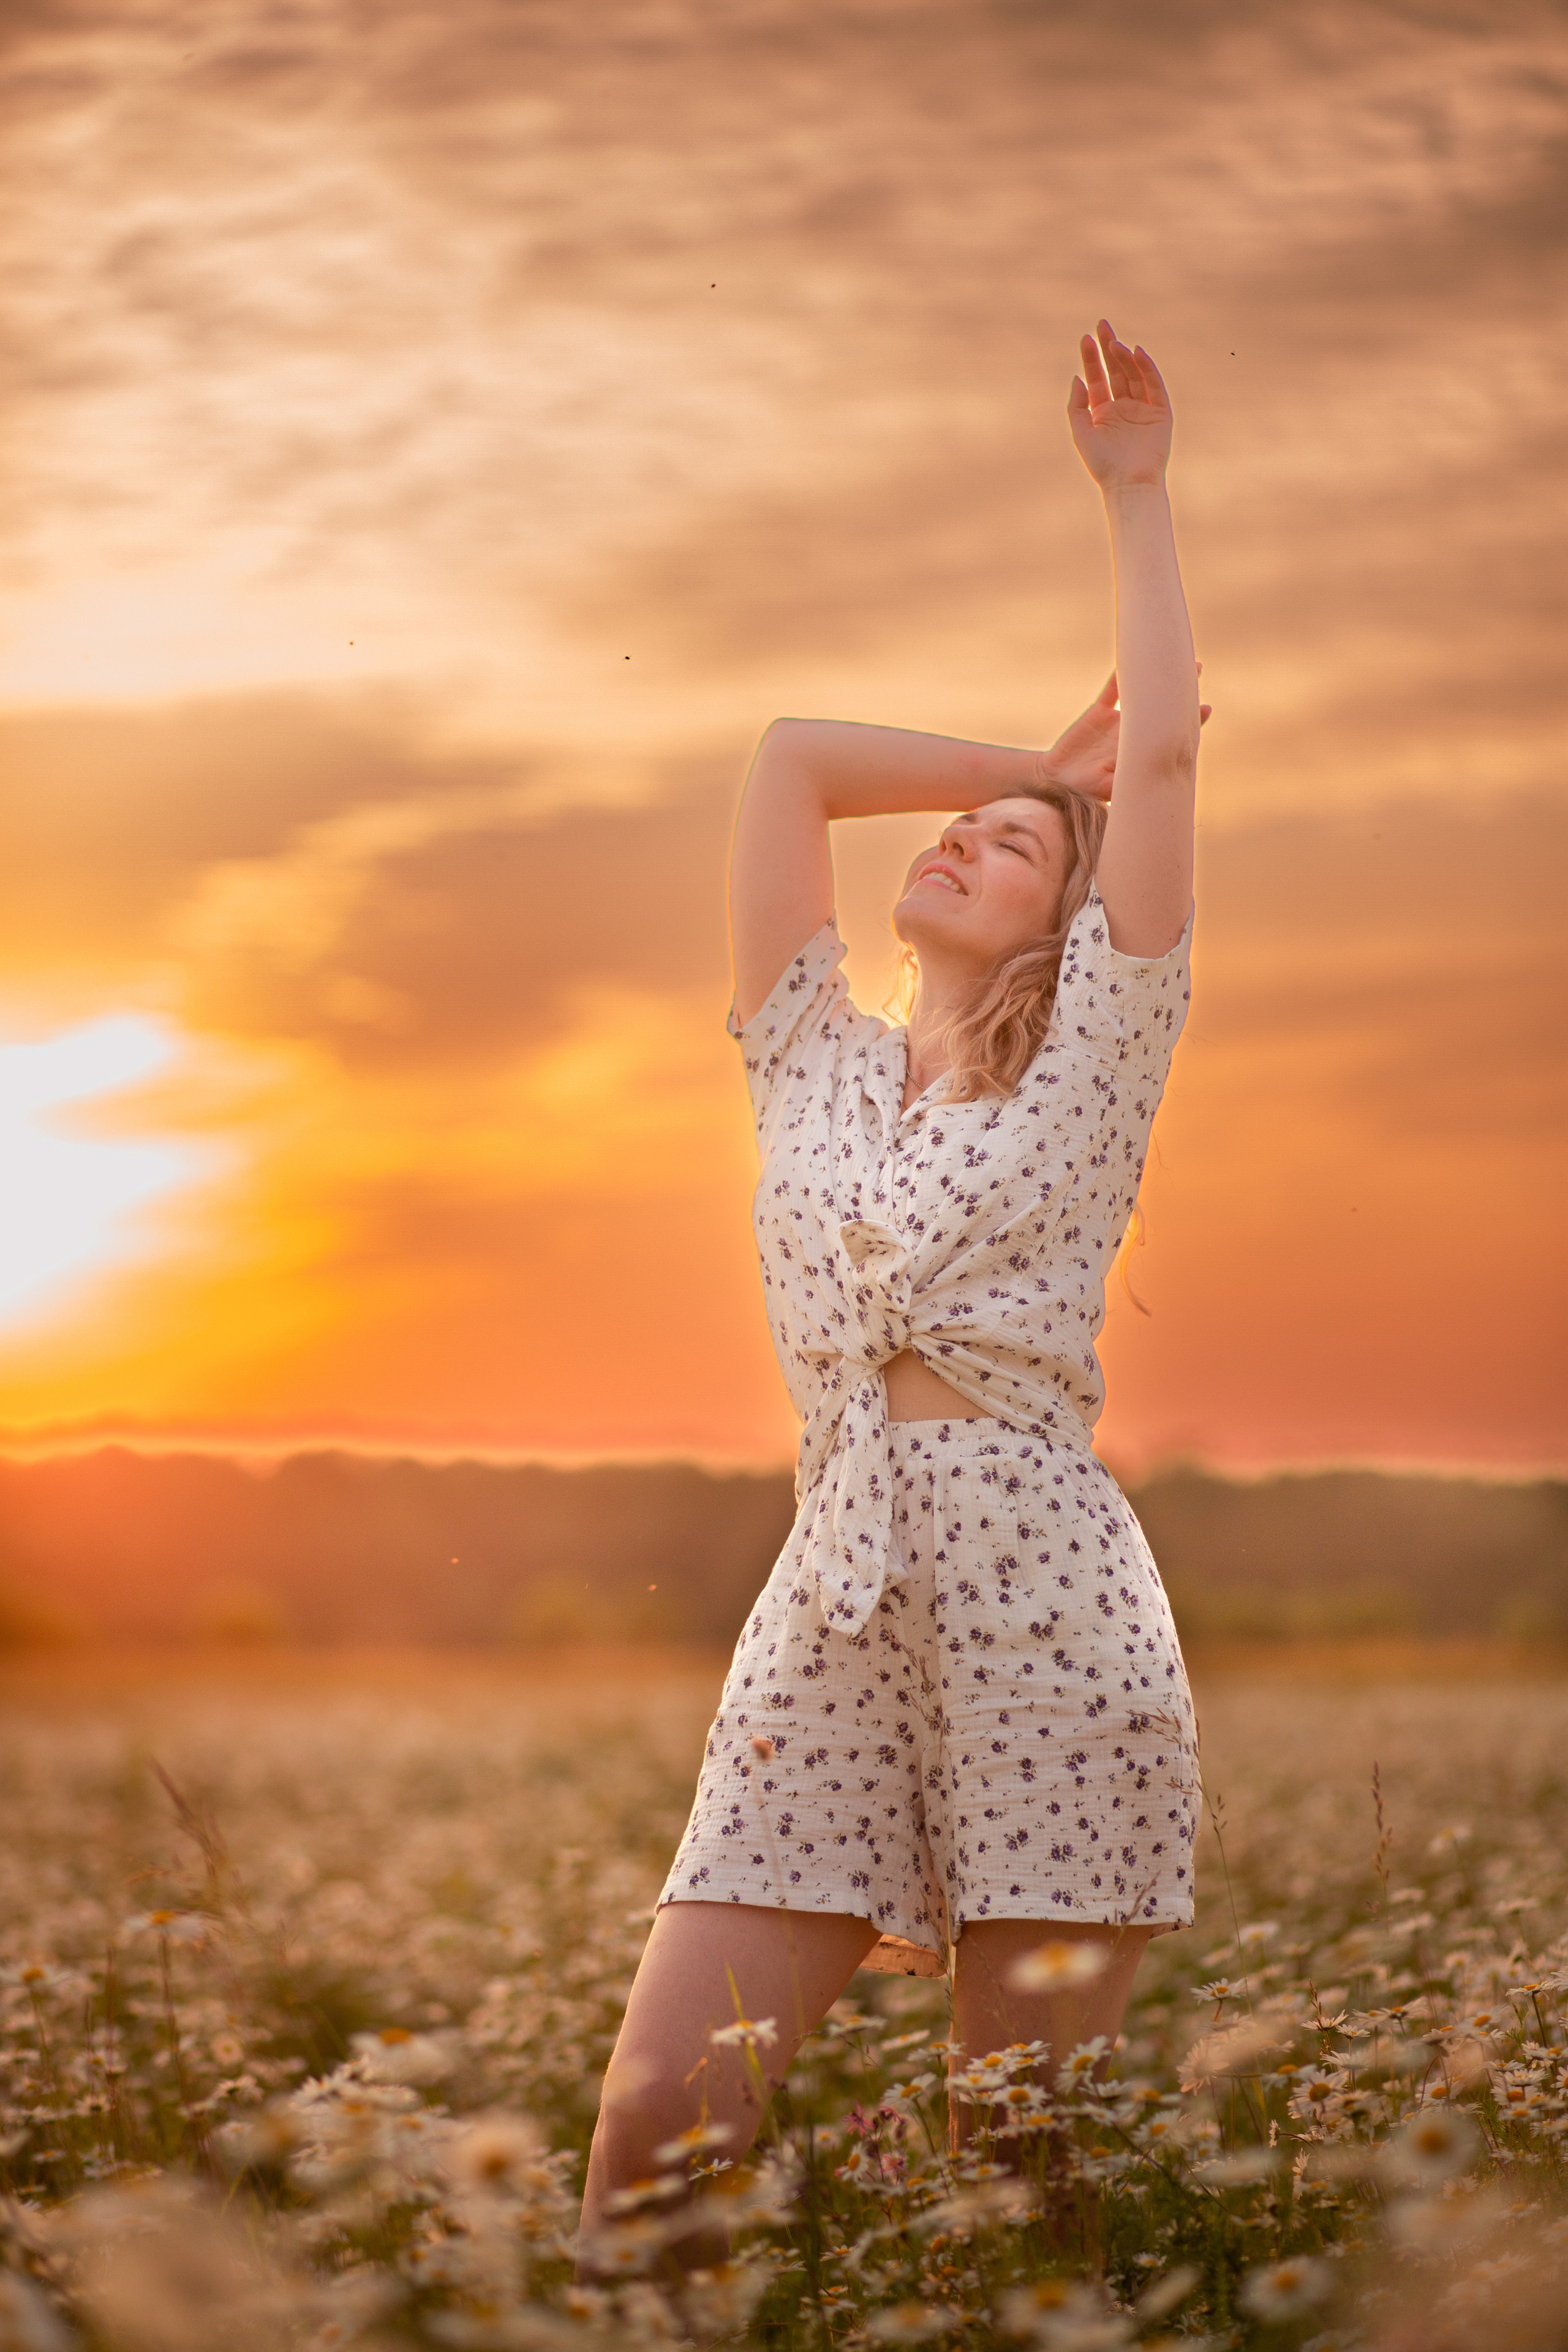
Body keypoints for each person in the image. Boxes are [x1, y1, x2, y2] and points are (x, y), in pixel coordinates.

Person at [581, 320, 1207, 2256]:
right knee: (656, 2139)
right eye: (958, 828)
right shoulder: (817, 1061)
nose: (958, 840)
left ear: (1068, 916)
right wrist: (1037, 762)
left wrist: (1135, 496)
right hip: (830, 1596)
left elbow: (1168, 750)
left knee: (1016, 2177)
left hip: (1045, 1601)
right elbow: (790, 762)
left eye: (1014, 848)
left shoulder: (1094, 1062)